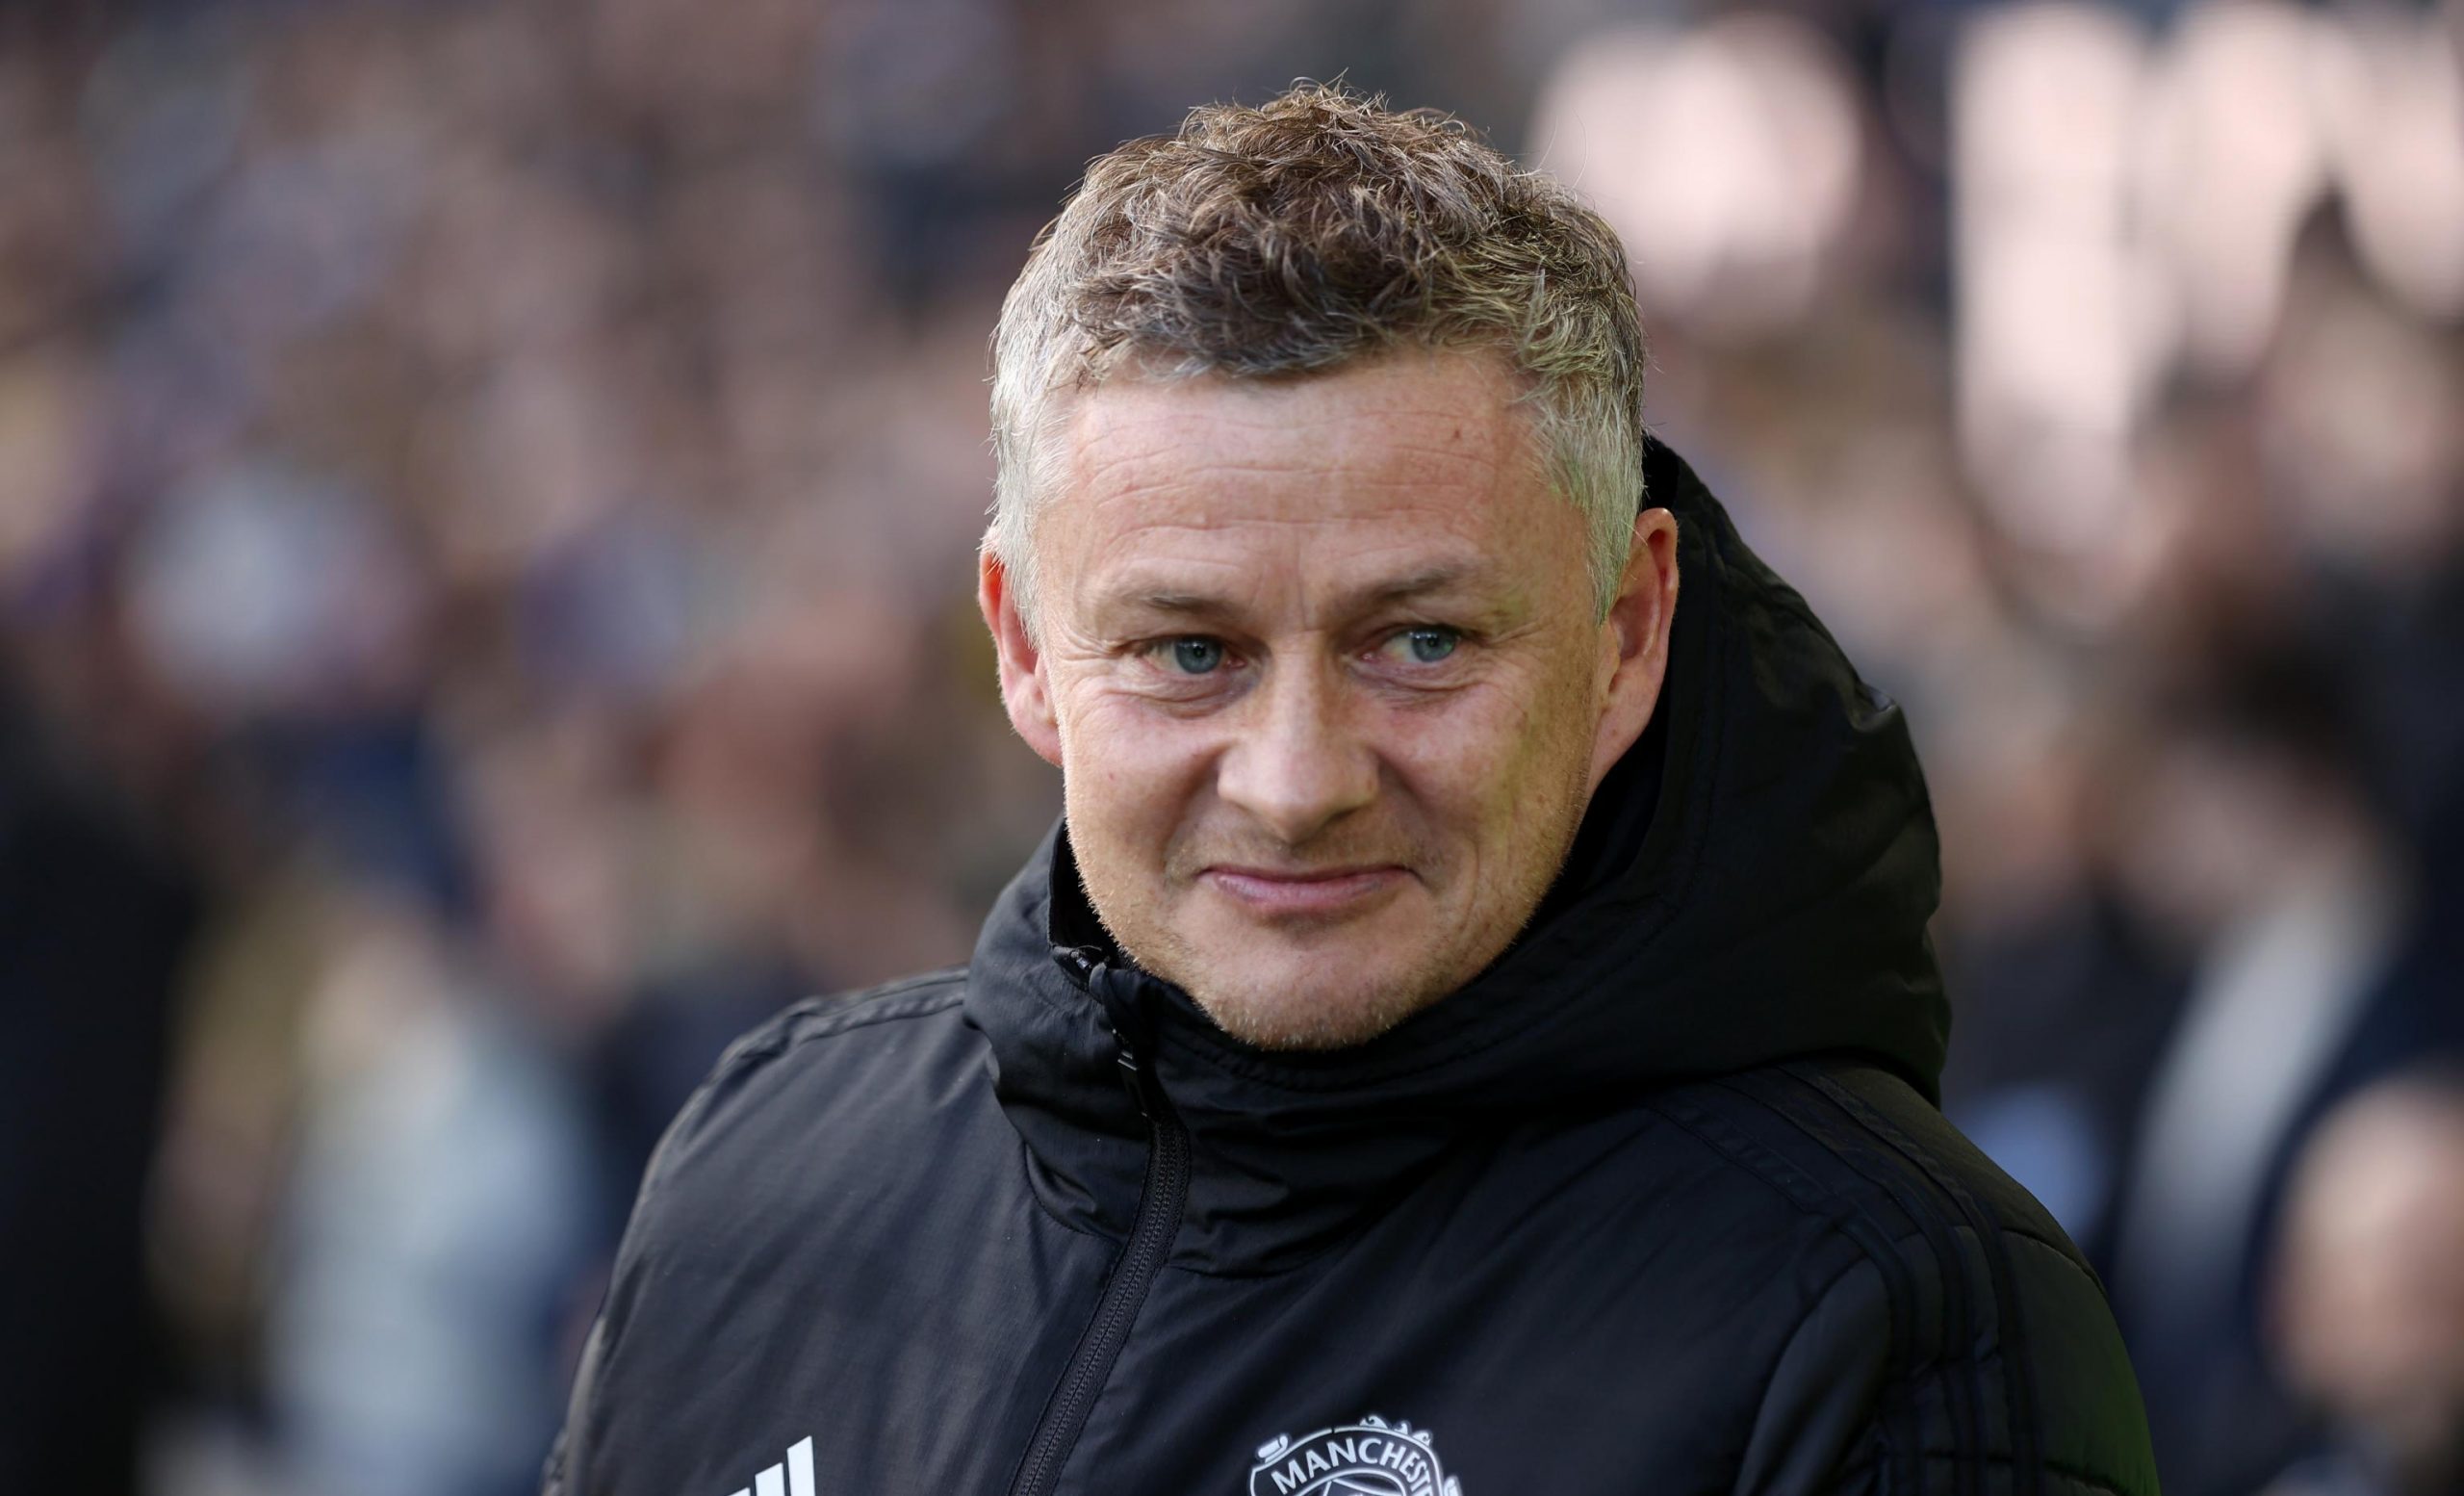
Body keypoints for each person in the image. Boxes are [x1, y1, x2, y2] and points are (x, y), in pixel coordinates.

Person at [545, 84, 2158, 1496]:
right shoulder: (758, 1175)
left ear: (1628, 632)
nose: (1298, 781)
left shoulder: (1896, 1314)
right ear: (1023, 647)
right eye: (1191, 652)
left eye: (1420, 641)